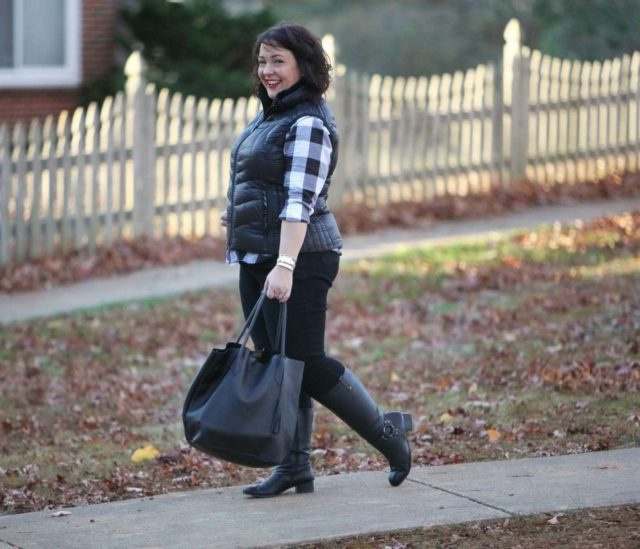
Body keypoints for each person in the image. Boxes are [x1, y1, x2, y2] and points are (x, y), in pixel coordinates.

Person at [221, 21, 413, 498]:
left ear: (304, 67)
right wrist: (237, 214)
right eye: (262, 61)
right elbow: (262, 185)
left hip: (302, 258)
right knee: (275, 361)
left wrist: (284, 265)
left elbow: (299, 200)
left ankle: (391, 438)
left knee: (305, 361)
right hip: (257, 255)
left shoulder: (306, 121)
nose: (266, 70)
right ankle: (295, 467)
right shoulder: (269, 115)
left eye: (277, 61)